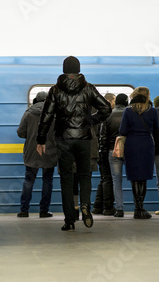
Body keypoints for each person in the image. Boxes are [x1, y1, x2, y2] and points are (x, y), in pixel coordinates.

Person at [37, 56, 112, 231]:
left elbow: (46, 116)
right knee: (85, 175)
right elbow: (106, 108)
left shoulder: (55, 90)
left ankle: (69, 220)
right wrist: (91, 121)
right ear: (78, 69)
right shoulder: (88, 88)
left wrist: (40, 139)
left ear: (64, 70)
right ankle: (85, 204)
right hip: (84, 138)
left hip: (64, 139)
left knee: (66, 179)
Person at [119, 87, 158, 219]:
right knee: (143, 178)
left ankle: (138, 208)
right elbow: (156, 129)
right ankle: (141, 209)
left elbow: (122, 130)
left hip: (132, 145)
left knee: (135, 177)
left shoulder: (128, 111)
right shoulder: (153, 111)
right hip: (147, 144)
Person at [17, 91, 57, 218]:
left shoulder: (28, 113)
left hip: (32, 151)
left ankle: (24, 210)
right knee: (47, 181)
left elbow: (20, 132)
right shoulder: (54, 114)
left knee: (28, 180)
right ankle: (44, 211)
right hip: (49, 151)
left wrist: (31, 136)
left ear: (35, 100)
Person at [100, 93, 128, 217]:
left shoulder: (108, 115)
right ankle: (139, 206)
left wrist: (103, 151)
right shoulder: (130, 114)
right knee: (135, 179)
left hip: (112, 151)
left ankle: (120, 209)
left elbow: (103, 136)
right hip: (129, 150)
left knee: (116, 181)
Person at [92, 93, 116, 216]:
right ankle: (107, 207)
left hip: (97, 149)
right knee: (107, 178)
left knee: (104, 178)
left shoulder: (95, 113)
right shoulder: (103, 115)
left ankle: (97, 206)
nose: (114, 104)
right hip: (102, 149)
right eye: (113, 101)